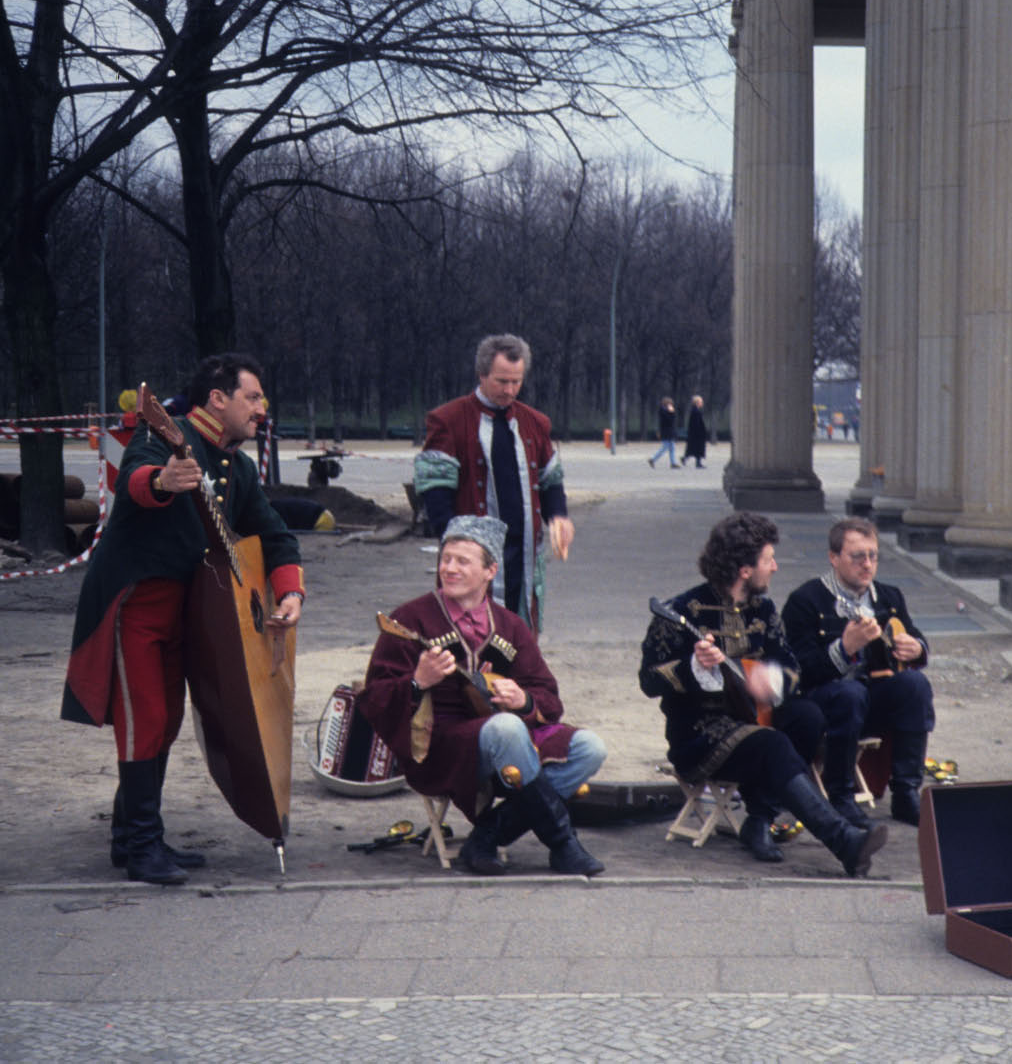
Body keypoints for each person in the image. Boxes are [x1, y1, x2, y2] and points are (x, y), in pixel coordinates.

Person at [62, 354, 306, 885]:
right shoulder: (163, 437)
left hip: (185, 612)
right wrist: (165, 481)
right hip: (134, 602)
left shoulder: (237, 467)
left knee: (166, 720)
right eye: (253, 398)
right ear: (217, 400)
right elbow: (135, 480)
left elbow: (277, 536)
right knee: (144, 716)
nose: (262, 409)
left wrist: (290, 593)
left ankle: (131, 839)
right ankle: (143, 846)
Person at [639, 512, 889, 875]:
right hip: (701, 734)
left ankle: (759, 819)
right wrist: (694, 667)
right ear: (745, 569)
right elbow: (649, 681)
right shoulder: (680, 612)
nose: (775, 567)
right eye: (768, 559)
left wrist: (769, 681)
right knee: (770, 744)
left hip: (756, 720)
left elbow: (792, 671)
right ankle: (843, 841)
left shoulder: (765, 610)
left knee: (807, 716)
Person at [357, 515, 605, 876]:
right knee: (505, 729)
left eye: (462, 561)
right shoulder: (411, 618)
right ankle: (563, 844)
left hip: (508, 740)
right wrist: (417, 682)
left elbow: (548, 696)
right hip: (439, 746)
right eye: (445, 559)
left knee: (589, 748)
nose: (449, 569)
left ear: (490, 571)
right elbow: (374, 699)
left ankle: (487, 835)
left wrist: (523, 699)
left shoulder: (510, 625)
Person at [415, 334, 574, 632]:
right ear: (482, 374)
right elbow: (435, 493)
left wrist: (559, 516)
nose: (510, 390)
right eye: (502, 381)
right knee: (467, 636)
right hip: (472, 556)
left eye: (516, 382)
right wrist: (457, 547)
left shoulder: (535, 422)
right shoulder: (447, 419)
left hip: (524, 552)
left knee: (521, 635)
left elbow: (551, 480)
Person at [781, 517, 934, 826]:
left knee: (915, 684)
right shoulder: (805, 601)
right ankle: (841, 797)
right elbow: (799, 671)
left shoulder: (889, 598)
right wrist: (844, 648)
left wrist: (916, 648)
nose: (867, 565)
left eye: (873, 556)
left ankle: (905, 792)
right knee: (850, 693)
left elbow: (916, 638)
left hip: (870, 699)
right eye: (857, 556)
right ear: (834, 558)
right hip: (825, 701)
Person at [647, 396, 678, 469]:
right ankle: (653, 459)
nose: (671, 405)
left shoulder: (664, 410)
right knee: (665, 447)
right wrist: (672, 412)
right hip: (667, 432)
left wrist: (671, 412)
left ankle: (673, 463)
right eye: (670, 404)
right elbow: (669, 420)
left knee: (672, 448)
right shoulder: (663, 411)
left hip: (668, 431)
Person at [684, 395, 708, 469]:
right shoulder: (696, 411)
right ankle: (697, 463)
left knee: (695, 448)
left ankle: (687, 459)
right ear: (697, 402)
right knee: (697, 448)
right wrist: (701, 432)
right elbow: (697, 423)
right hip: (697, 434)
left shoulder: (695, 410)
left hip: (695, 433)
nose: (702, 403)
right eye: (701, 402)